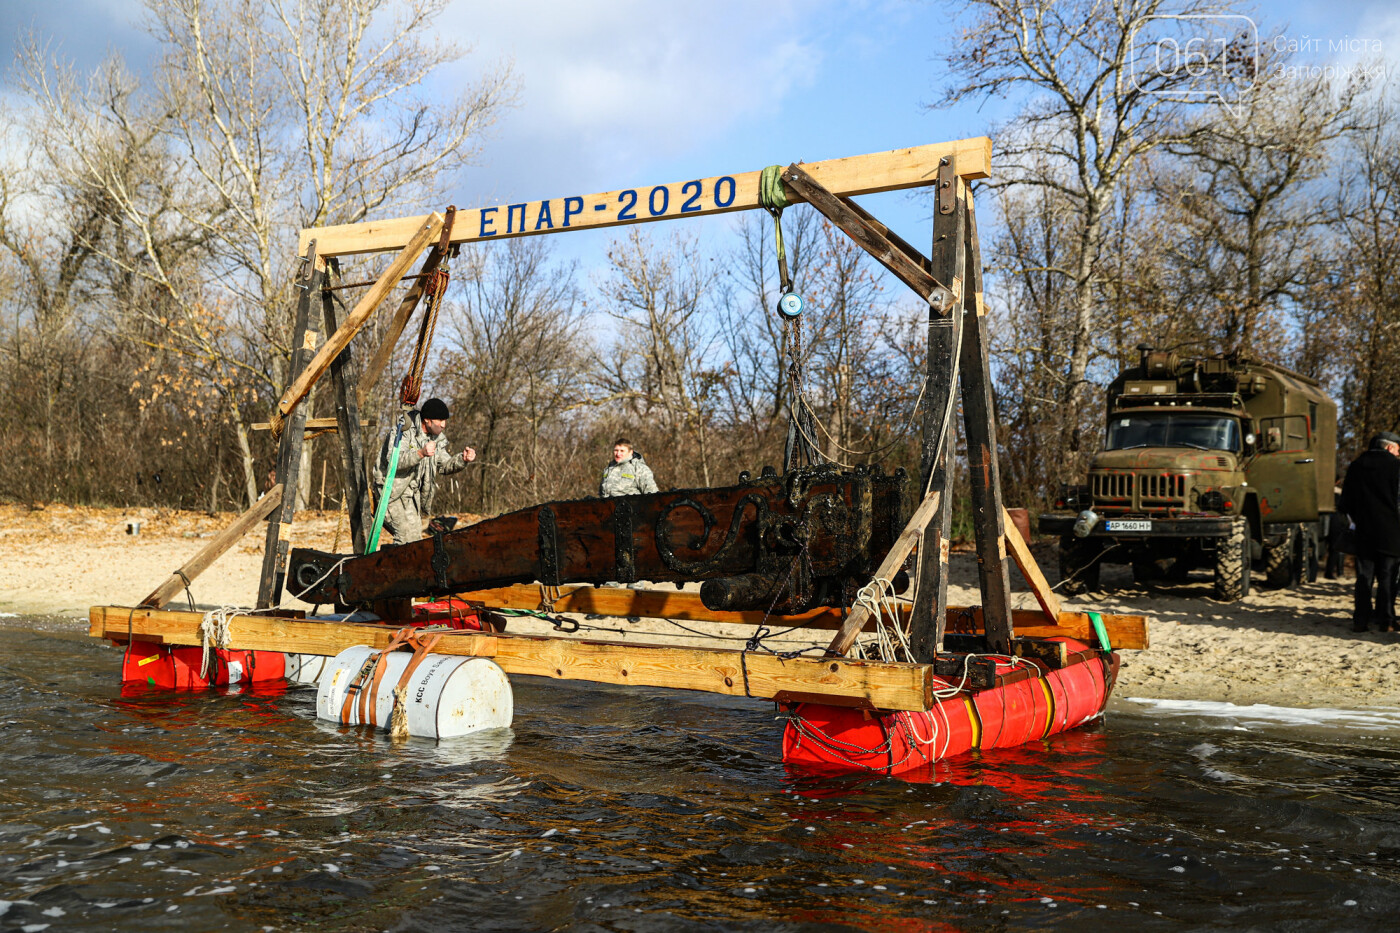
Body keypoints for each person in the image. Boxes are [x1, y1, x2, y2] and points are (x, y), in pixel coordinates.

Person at [372, 397, 475, 544]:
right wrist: (420, 453)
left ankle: (408, 566)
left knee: (414, 539)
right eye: (440, 421)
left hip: (411, 496)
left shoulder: (437, 438)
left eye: (445, 420)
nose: (444, 425)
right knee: (404, 535)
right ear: (427, 420)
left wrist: (462, 459)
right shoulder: (403, 431)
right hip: (391, 493)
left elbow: (444, 465)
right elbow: (392, 461)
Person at [1338, 432, 1400, 632]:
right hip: (1392, 531)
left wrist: (1357, 519)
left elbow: (1345, 502)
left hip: (1363, 529)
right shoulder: (1396, 466)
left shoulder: (1356, 466)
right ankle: (1387, 620)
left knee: (1364, 576)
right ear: (1390, 447)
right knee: (1388, 576)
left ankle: (1360, 619)